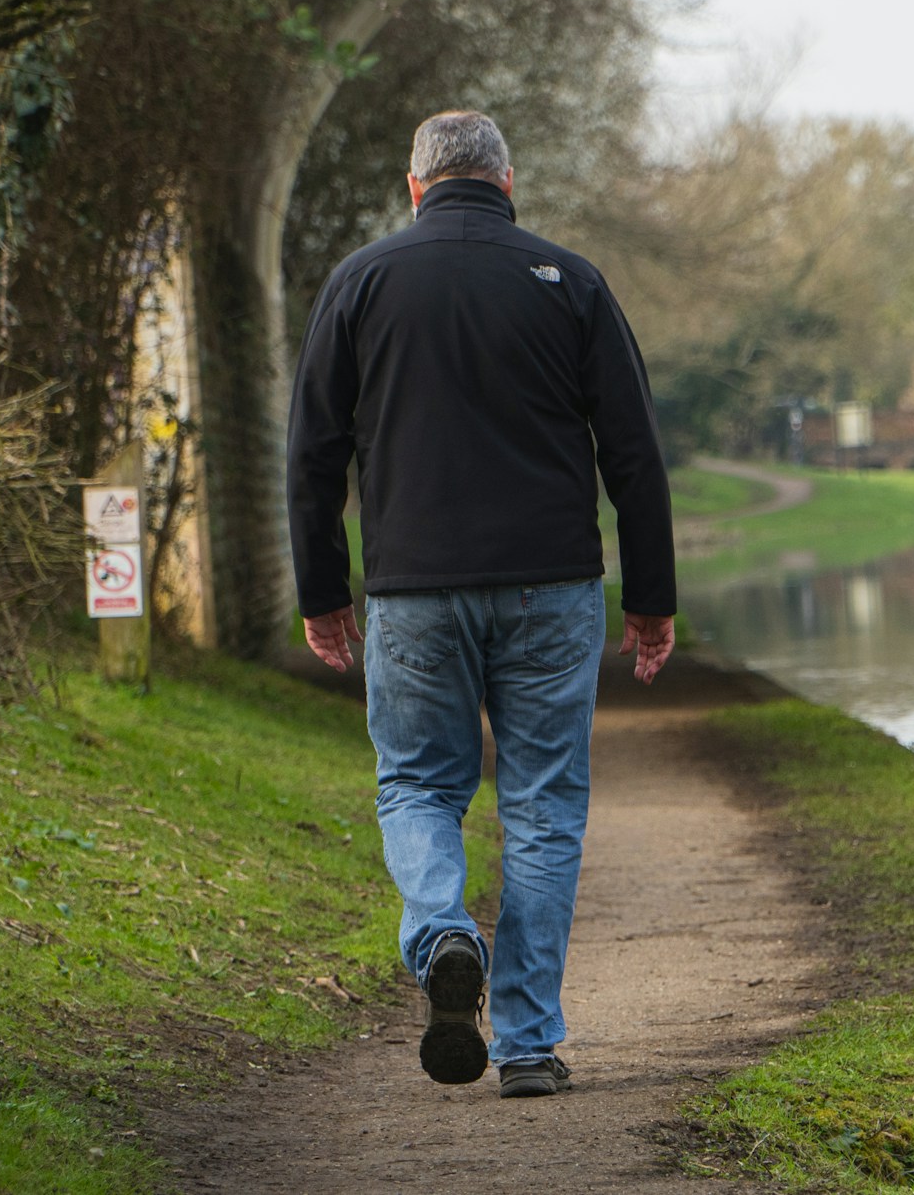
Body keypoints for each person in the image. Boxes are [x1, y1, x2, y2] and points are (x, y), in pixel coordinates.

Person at [286, 110, 675, 1099]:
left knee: (418, 786)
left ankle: (443, 933)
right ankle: (530, 1042)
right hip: (552, 586)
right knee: (543, 807)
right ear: (507, 184)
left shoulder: (360, 282)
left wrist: (323, 592)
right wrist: (652, 598)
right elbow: (632, 455)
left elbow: (312, 453)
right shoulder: (569, 281)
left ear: (413, 188)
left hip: (413, 589)